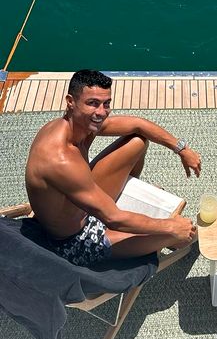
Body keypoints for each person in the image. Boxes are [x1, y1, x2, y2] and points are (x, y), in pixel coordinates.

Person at [25, 69, 201, 266]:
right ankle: (179, 235)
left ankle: (128, 202)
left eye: (106, 103)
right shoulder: (60, 159)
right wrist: (169, 226)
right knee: (180, 236)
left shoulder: (80, 124)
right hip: (73, 240)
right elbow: (113, 218)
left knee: (137, 141)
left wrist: (182, 149)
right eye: (92, 103)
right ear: (70, 101)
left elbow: (138, 125)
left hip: (82, 201)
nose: (101, 112)